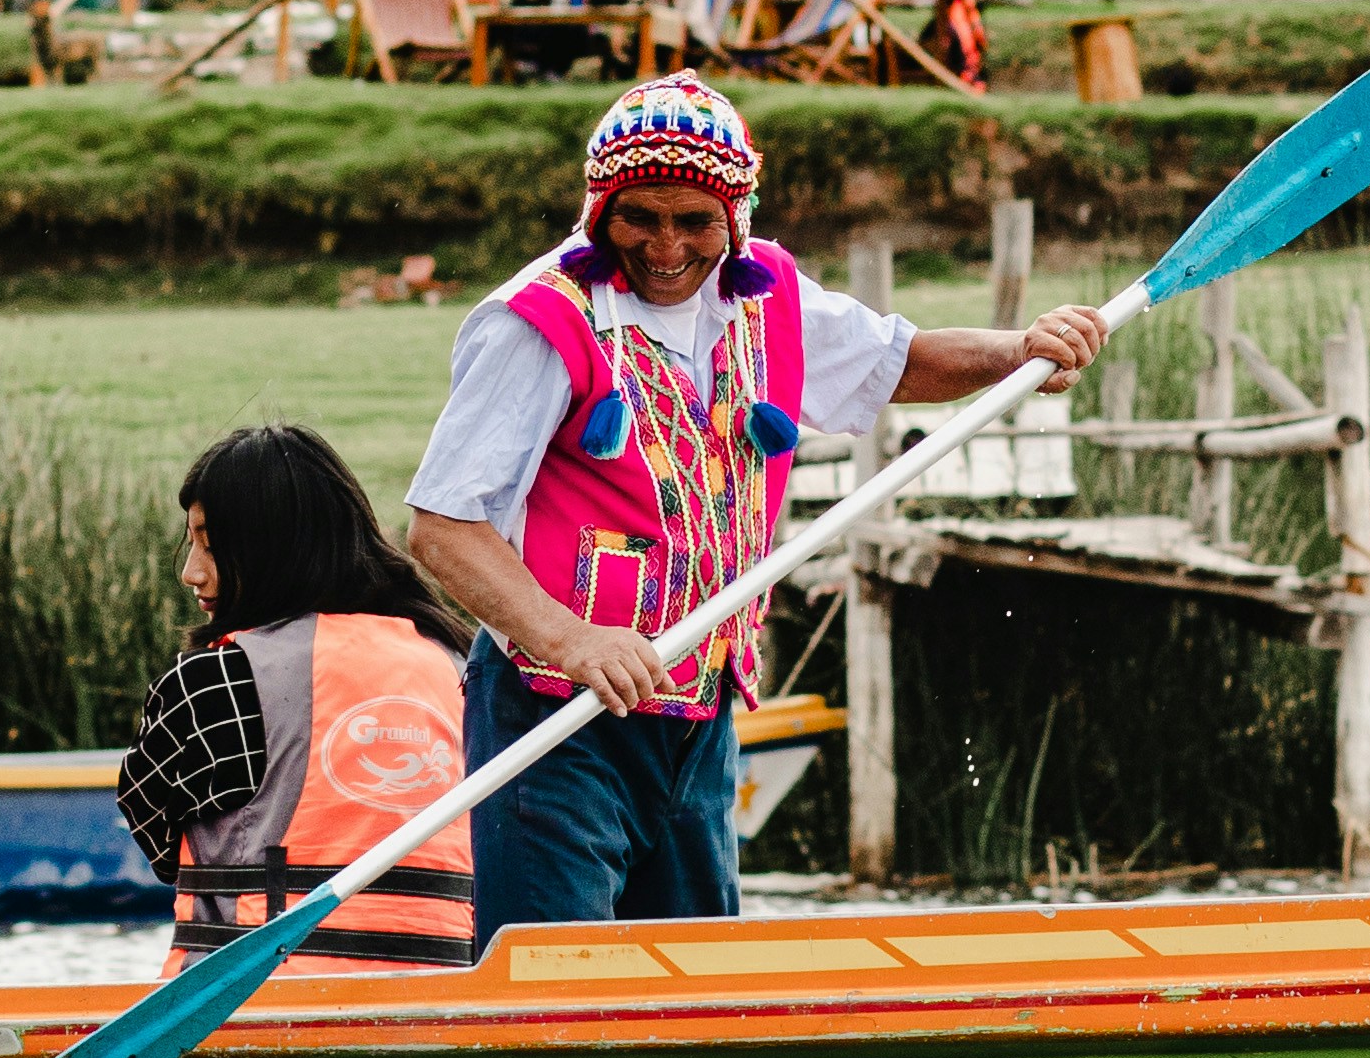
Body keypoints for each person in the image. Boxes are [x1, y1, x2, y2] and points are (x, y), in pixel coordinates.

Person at [405, 71, 1105, 944]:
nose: (666, 247)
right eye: (640, 218)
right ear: (599, 212)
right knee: (555, 983)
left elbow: (897, 360)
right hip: (555, 716)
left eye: (694, 221)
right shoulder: (538, 320)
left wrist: (1019, 351)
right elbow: (441, 525)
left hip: (701, 712)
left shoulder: (765, 290)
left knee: (692, 984)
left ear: (734, 219)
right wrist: (570, 638)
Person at [119, 424, 475, 975]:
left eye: (210, 544)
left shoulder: (213, 681)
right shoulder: (460, 664)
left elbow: (159, 842)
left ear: (272, 550)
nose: (191, 571)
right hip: (441, 1002)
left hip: (247, 1008)